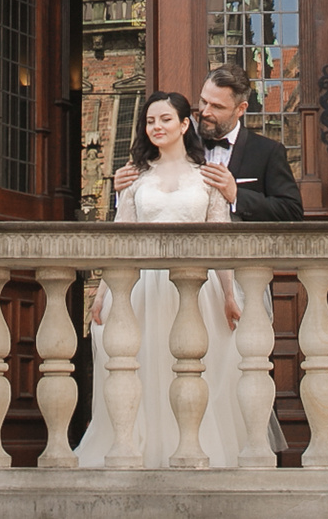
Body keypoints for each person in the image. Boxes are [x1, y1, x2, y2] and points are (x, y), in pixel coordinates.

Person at [74, 91, 252, 468]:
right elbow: (120, 237)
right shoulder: (135, 176)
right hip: (145, 290)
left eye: (165, 119)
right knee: (144, 367)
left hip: (195, 289)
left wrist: (228, 294)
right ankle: (147, 451)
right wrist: (102, 293)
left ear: (185, 124)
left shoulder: (207, 176)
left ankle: (194, 449)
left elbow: (219, 240)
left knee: (197, 371)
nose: (156, 126)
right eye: (151, 121)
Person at [113, 63, 305, 222]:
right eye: (204, 101)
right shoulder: (177, 141)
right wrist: (124, 189)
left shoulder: (267, 152)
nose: (205, 112)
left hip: (244, 262)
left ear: (240, 109)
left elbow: (292, 212)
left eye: (217, 106)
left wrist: (236, 194)